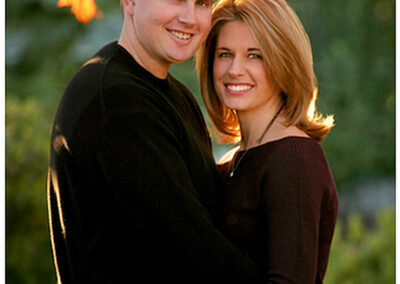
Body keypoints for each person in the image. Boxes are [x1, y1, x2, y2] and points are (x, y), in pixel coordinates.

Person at [47, 0, 261, 283]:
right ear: (130, 2)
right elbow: (195, 255)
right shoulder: (115, 100)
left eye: (202, 3)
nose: (190, 18)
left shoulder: (173, 96)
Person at [196, 0, 339, 282]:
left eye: (254, 55)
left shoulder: (295, 160)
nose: (235, 70)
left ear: (283, 61)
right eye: (225, 54)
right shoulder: (230, 161)